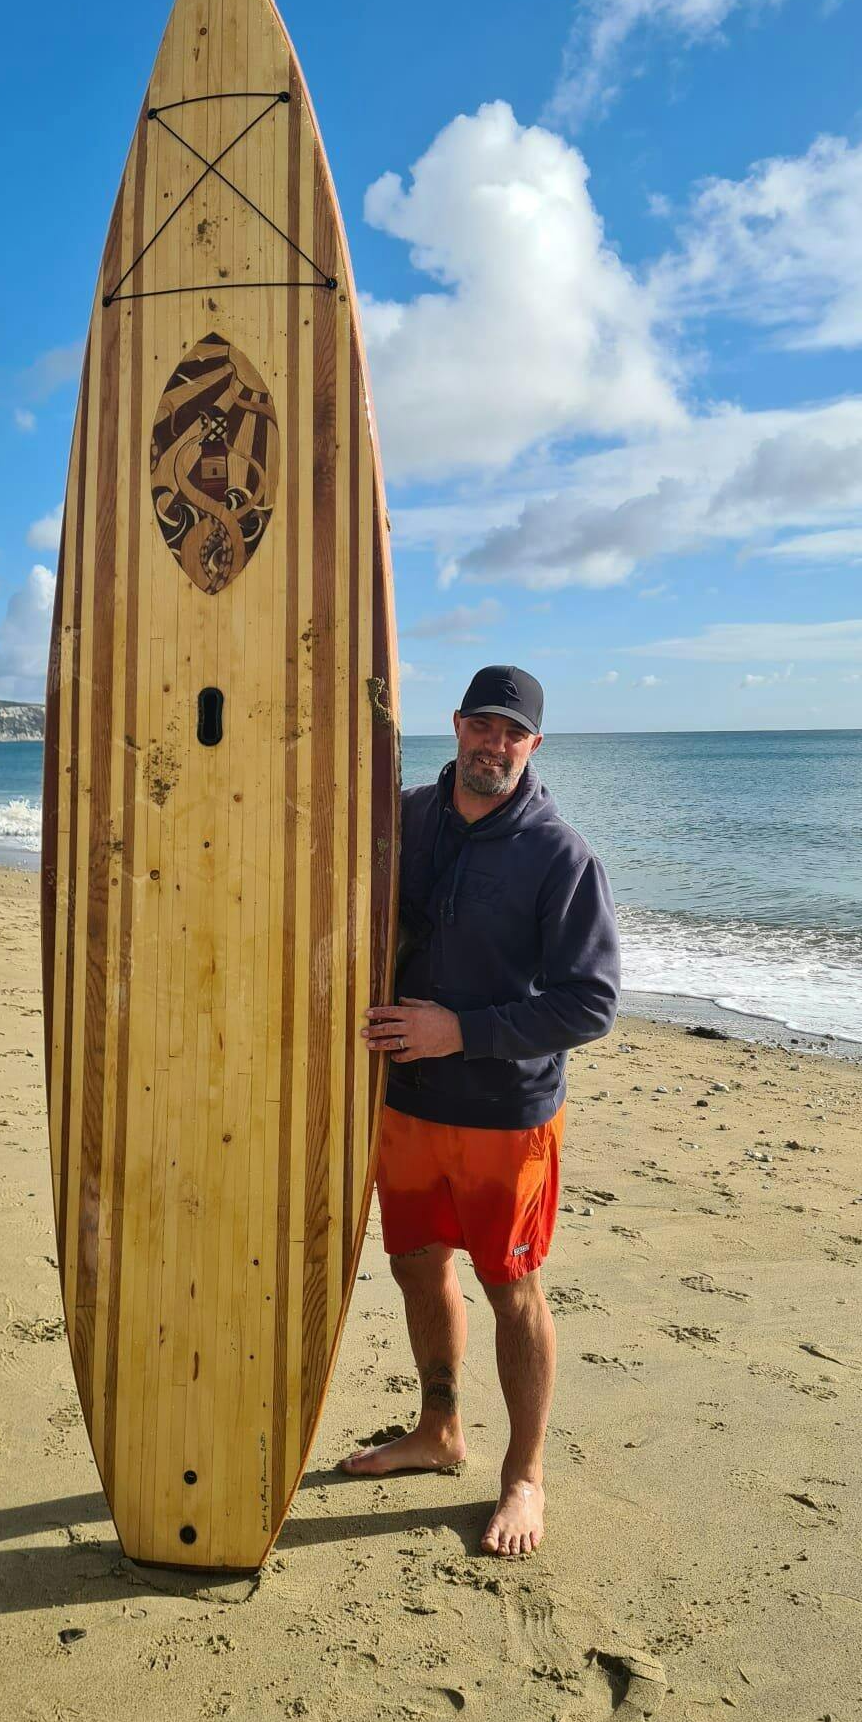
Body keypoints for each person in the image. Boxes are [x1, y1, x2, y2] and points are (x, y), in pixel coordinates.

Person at [342, 664, 620, 1557]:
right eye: (482, 725)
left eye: (513, 733)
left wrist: (458, 1031)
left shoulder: (560, 855)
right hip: (406, 1102)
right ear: (457, 725)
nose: (494, 745)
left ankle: (524, 1478)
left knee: (512, 1288)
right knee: (417, 1266)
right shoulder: (407, 819)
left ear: (534, 746)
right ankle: (439, 1431)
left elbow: (590, 1004)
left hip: (506, 1114)